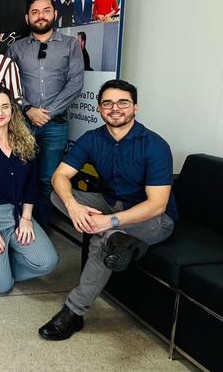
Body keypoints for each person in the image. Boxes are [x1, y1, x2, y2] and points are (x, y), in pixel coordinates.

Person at [39, 80, 177, 341]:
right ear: (99, 108)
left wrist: (109, 223)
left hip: (154, 218)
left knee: (101, 240)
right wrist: (75, 206)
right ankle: (124, 239)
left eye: (123, 102)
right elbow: (60, 176)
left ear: (135, 107)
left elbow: (157, 204)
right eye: (108, 103)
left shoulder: (154, 145)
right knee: (57, 193)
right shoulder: (93, 138)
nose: (115, 109)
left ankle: (73, 312)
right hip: (110, 204)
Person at [0, 87, 58, 293]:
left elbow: (32, 183)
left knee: (48, 263)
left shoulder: (25, 141)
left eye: (5, 106)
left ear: (13, 110)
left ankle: (2, 263)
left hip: (17, 214)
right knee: (1, 286)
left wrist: (26, 218)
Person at [7, 0, 84, 227]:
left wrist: (47, 112)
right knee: (19, 175)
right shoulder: (16, 47)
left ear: (55, 13)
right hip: (22, 123)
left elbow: (75, 83)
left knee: (47, 179)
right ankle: (17, 224)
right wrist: (28, 109)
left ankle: (41, 228)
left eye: (46, 10)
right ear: (27, 17)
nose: (41, 16)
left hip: (55, 125)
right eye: (35, 12)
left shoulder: (70, 45)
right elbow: (9, 85)